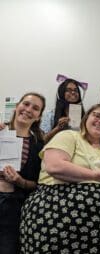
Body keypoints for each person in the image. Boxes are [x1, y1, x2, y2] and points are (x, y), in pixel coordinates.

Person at [20, 104, 100, 253]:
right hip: (58, 205)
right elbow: (54, 166)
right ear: (86, 118)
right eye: (97, 115)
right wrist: (96, 175)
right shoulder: (69, 136)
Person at [0, 92, 45, 254]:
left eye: (35, 108)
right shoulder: (0, 132)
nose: (28, 109)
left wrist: (20, 181)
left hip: (13, 208)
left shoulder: (39, 146)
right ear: (17, 106)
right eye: (25, 104)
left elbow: (38, 185)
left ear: (39, 116)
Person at [40, 77, 85, 143]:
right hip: (56, 150)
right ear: (61, 93)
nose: (73, 92)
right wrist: (58, 128)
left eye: (76, 90)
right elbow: (43, 140)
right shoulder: (50, 114)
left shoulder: (85, 116)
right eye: (68, 90)